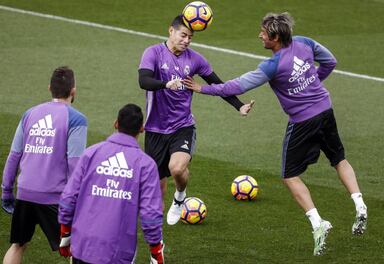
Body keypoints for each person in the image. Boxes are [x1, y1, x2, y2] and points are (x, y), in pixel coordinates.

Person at [182, 12, 367, 256]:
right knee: (339, 159)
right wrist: (313, 84)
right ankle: (359, 203)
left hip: (303, 121)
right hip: (326, 111)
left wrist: (202, 88)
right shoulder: (305, 43)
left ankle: (317, 222)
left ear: (276, 37)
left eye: (263, 32)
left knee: (289, 175)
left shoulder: (272, 65)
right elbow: (330, 61)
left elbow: (238, 86)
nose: (259, 35)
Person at [138, 15, 254, 225]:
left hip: (183, 126)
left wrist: (239, 106)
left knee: (177, 168)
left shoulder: (196, 60)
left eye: (190, 37)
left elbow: (219, 85)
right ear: (170, 31)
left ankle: (180, 197)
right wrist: (166, 84)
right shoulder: (153, 53)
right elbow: (143, 80)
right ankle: (155, 227)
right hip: (155, 129)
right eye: (183, 35)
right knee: (158, 187)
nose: (187, 40)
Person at [1, 66, 88, 263]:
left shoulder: (29, 114)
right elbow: (75, 164)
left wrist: (6, 190)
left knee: (17, 245)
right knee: (77, 248)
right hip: (54, 198)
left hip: (25, 192)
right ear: (73, 90)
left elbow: (14, 155)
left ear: (50, 88)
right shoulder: (76, 119)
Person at [58, 104, 164, 264]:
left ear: (116, 123)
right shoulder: (146, 165)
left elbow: (68, 197)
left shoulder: (91, 153)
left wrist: (65, 234)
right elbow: (150, 215)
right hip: (117, 252)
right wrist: (156, 250)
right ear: (142, 129)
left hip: (82, 247)